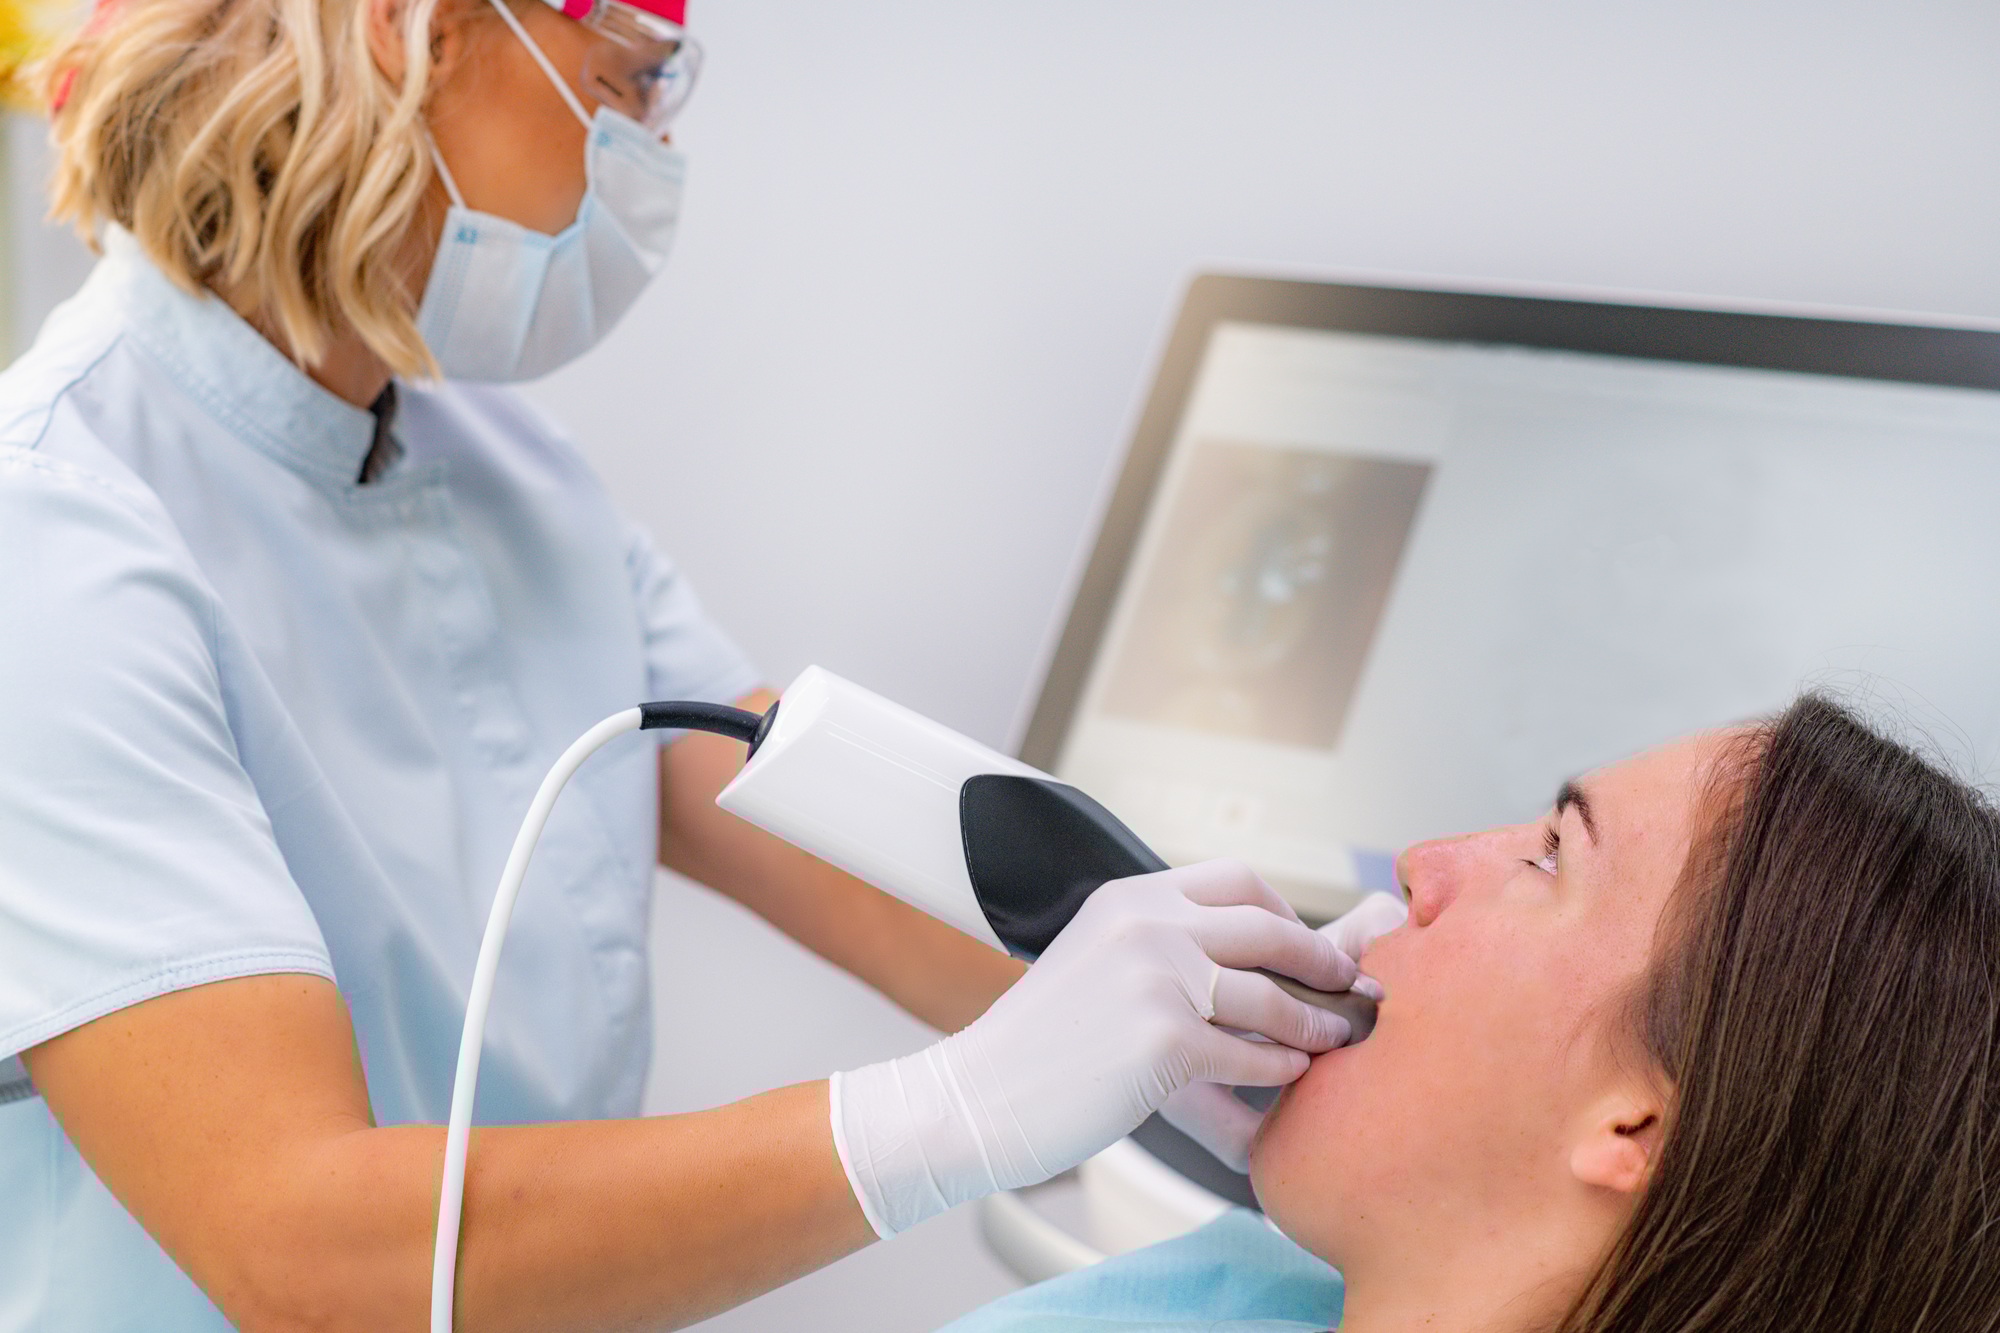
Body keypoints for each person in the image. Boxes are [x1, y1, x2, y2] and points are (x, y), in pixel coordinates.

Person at [0, 1, 1369, 1328]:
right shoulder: (50, 534)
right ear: (411, 28)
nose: (653, 144)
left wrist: (1269, 1012)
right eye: (633, 79)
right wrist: (960, 1109)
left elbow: (824, 822)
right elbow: (309, 1250)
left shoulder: (509, 478)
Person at [944, 693, 2000, 1332]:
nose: (1421, 865)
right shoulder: (1246, 1287)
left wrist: (916, 1127)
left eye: (1547, 855)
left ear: (1634, 1126)